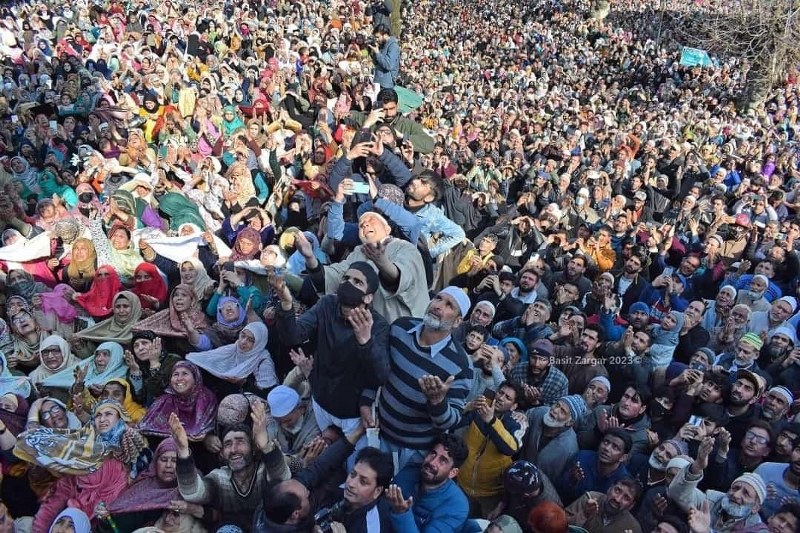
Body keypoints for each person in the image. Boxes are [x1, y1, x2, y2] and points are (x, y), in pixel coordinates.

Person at [364, 286, 474, 471]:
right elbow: (377, 370)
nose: (438, 306)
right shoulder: (400, 328)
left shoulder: (460, 364)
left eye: (449, 305)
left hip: (412, 452)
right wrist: (365, 402)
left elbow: (452, 420)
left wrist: (437, 401)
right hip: (377, 432)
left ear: (457, 322)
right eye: (438, 298)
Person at [170, 402, 289, 531]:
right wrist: (183, 452)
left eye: (240, 441)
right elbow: (192, 493)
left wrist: (265, 444)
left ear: (253, 449)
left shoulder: (265, 470)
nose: (233, 449)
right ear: (222, 454)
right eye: (227, 444)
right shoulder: (219, 478)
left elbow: (282, 480)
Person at [385, 433, 470, 532]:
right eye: (433, 453)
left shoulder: (457, 505)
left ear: (452, 472)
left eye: (442, 460)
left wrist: (401, 513)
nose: (432, 462)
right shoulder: (407, 475)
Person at [564, 478, 643, 533]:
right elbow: (560, 525)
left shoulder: (633, 527)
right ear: (610, 488)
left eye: (626, 498)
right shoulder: (589, 498)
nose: (617, 499)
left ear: (631, 506)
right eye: (617, 490)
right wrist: (584, 514)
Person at [368, 25, 400, 89]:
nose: (376, 39)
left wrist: (378, 53)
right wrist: (373, 51)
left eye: (378, 37)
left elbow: (389, 65)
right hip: (378, 81)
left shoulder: (393, 46)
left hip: (386, 83)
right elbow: (376, 63)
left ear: (385, 35)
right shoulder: (382, 45)